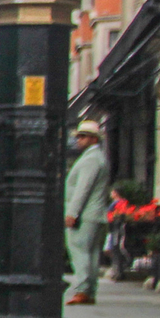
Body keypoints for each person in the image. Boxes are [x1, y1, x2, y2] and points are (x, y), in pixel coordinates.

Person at [65, 121, 111, 305]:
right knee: (91, 254)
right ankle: (89, 291)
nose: (78, 139)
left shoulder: (91, 159)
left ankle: (82, 289)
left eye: (82, 136)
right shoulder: (98, 157)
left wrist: (72, 213)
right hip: (95, 214)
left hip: (86, 214)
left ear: (93, 139)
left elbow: (83, 189)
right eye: (78, 136)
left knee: (79, 251)